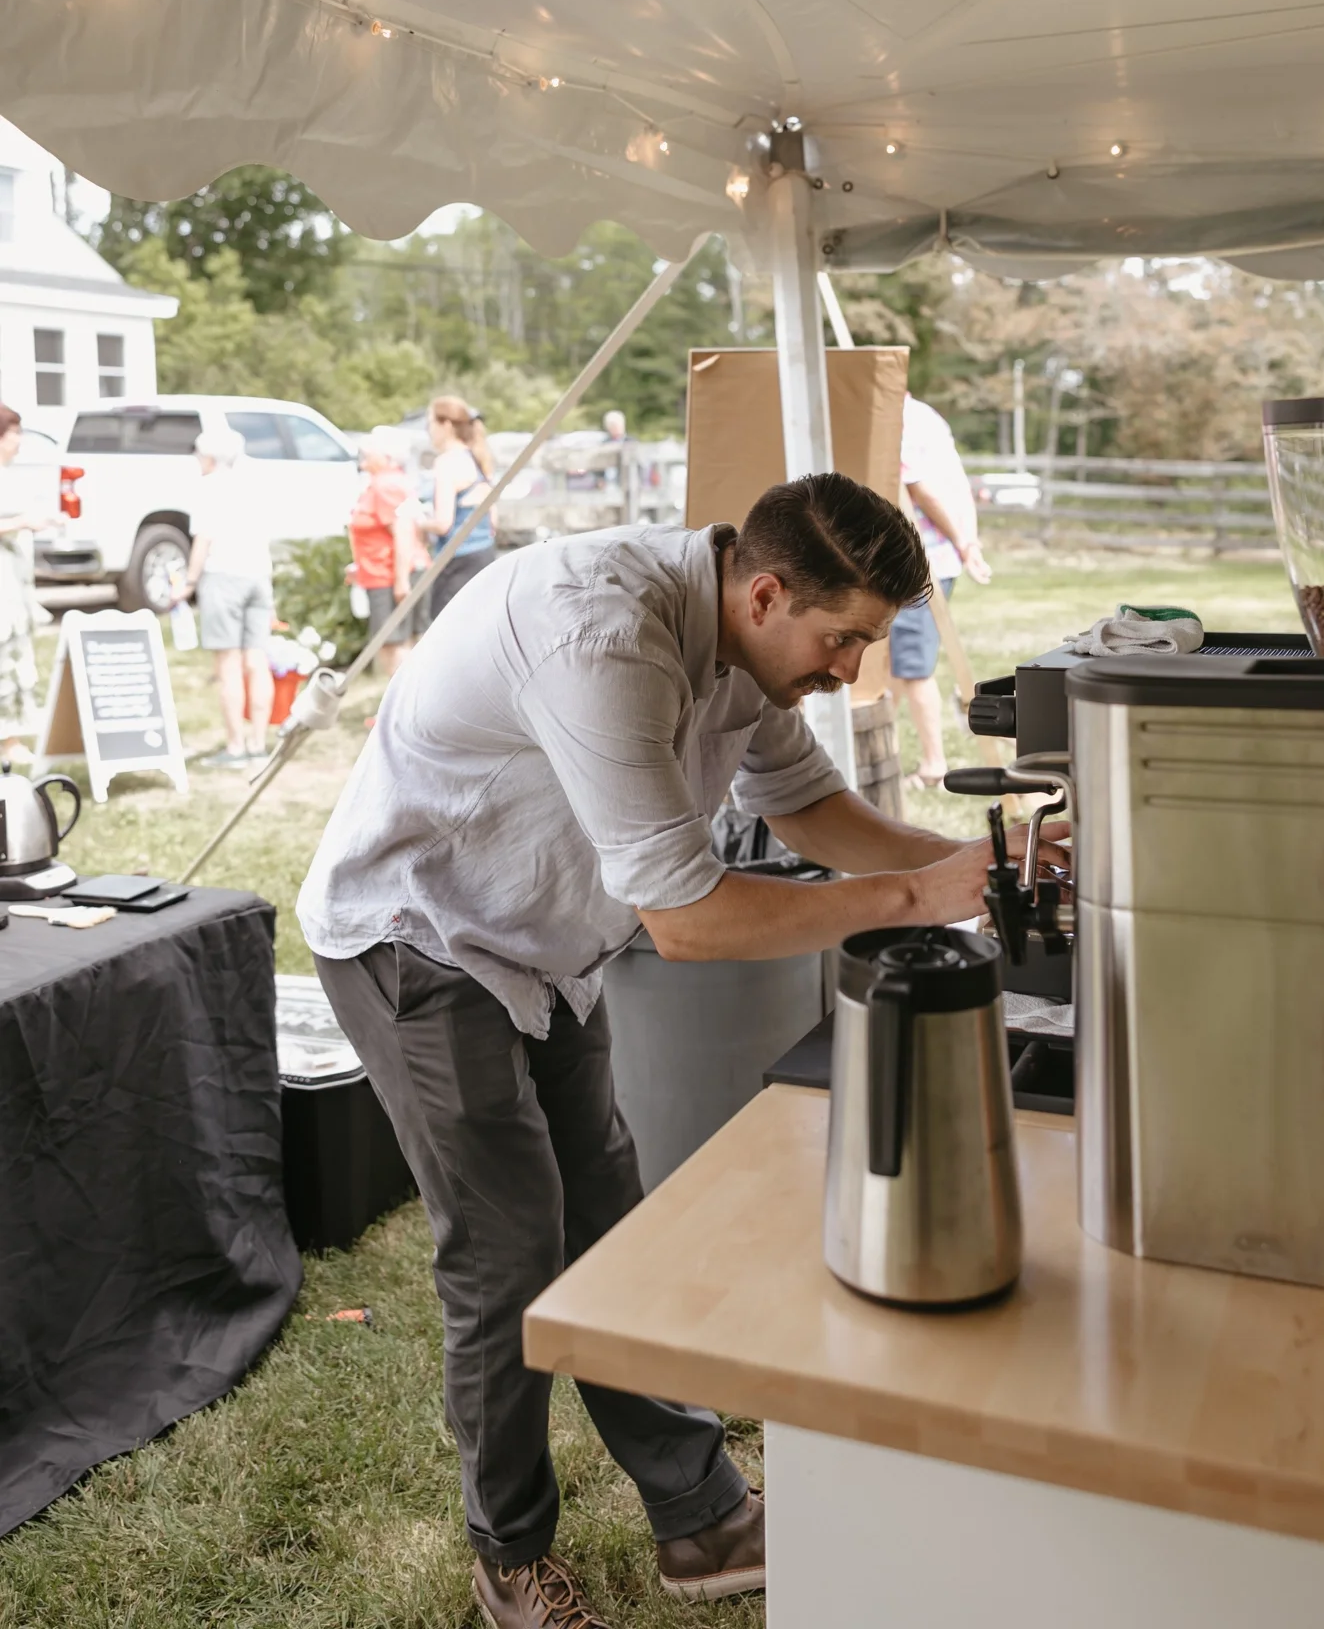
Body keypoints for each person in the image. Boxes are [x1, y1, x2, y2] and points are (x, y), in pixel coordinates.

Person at [297, 472, 1063, 1628]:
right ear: (764, 592)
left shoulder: (745, 639)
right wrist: (915, 892)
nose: (849, 669)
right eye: (842, 638)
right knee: (510, 1253)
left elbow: (810, 811)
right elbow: (690, 917)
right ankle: (509, 1555)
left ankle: (700, 1515)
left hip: (546, 943)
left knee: (608, 1228)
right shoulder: (604, 635)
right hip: (421, 936)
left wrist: (972, 864)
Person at [890, 393, 992, 787]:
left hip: (925, 558)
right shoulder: (925, 415)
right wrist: (967, 541)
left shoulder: (902, 421)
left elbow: (922, 488)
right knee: (894, 663)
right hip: (938, 555)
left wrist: (965, 544)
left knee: (912, 667)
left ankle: (934, 763)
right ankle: (876, 751)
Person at [171, 427, 275, 767]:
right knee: (257, 659)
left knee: (228, 664)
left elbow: (204, 539)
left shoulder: (208, 488)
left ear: (210, 457)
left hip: (224, 576)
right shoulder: (256, 483)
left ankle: (235, 748)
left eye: (199, 456)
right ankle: (260, 742)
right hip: (259, 575)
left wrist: (188, 582)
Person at [347, 430, 428, 677]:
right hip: (388, 571)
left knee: (394, 644)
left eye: (369, 450)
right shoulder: (393, 482)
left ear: (387, 456)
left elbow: (403, 532)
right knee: (402, 643)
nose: (363, 453)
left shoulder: (386, 486)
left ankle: (398, 710)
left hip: (389, 575)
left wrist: (401, 579)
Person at [0, 404, 55, 762]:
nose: (19, 441)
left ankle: (11, 736)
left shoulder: (11, 475)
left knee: (16, 652)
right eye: (13, 433)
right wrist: (21, 521)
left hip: (15, 579)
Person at [424, 396, 497, 619]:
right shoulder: (477, 458)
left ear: (445, 425)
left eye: (430, 424)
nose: (429, 431)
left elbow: (443, 523)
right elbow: (494, 522)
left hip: (456, 560)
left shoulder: (447, 462)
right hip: (484, 554)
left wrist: (418, 521)